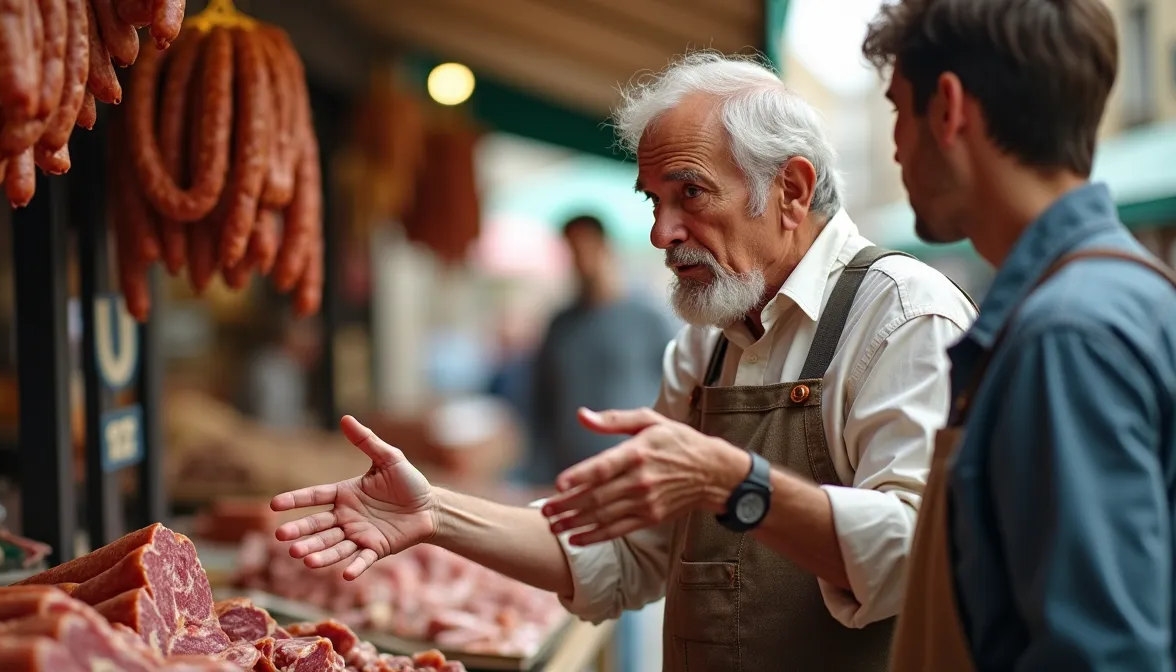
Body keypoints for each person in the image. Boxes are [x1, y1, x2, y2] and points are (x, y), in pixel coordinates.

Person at [270, 53, 976, 671]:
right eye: (655, 200)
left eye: (690, 194)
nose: (661, 233)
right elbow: (629, 554)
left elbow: (917, 560)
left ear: (791, 190)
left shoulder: (907, 319)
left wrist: (736, 483)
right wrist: (434, 515)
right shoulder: (708, 343)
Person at [860, 1, 1176, 670]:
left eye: (896, 108)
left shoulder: (1063, 338)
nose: (894, 145)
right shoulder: (1128, 296)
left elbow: (1100, 658)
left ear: (947, 108)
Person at [526, 214, 675, 484]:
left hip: (635, 470)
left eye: (587, 247)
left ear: (606, 248)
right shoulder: (560, 326)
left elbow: (678, 392)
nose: (581, 259)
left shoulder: (647, 319)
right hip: (570, 472)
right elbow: (542, 405)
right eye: (572, 249)